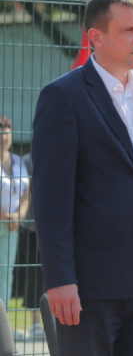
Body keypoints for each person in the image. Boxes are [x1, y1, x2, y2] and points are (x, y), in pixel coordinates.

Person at [32, 0, 133, 356]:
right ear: (96, 37)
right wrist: (60, 279)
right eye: (129, 30)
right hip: (89, 288)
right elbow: (51, 199)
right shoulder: (63, 97)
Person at [0, 116, 30, 309]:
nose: (3, 138)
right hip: (3, 220)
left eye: (6, 134)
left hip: (12, 226)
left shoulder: (19, 161)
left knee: (6, 274)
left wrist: (18, 217)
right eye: (0, 134)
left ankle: (2, 319)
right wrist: (4, 216)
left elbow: (27, 192)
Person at [15, 153, 45, 341]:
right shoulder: (26, 161)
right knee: (33, 274)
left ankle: (54, 321)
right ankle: (35, 323)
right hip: (30, 228)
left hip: (53, 227)